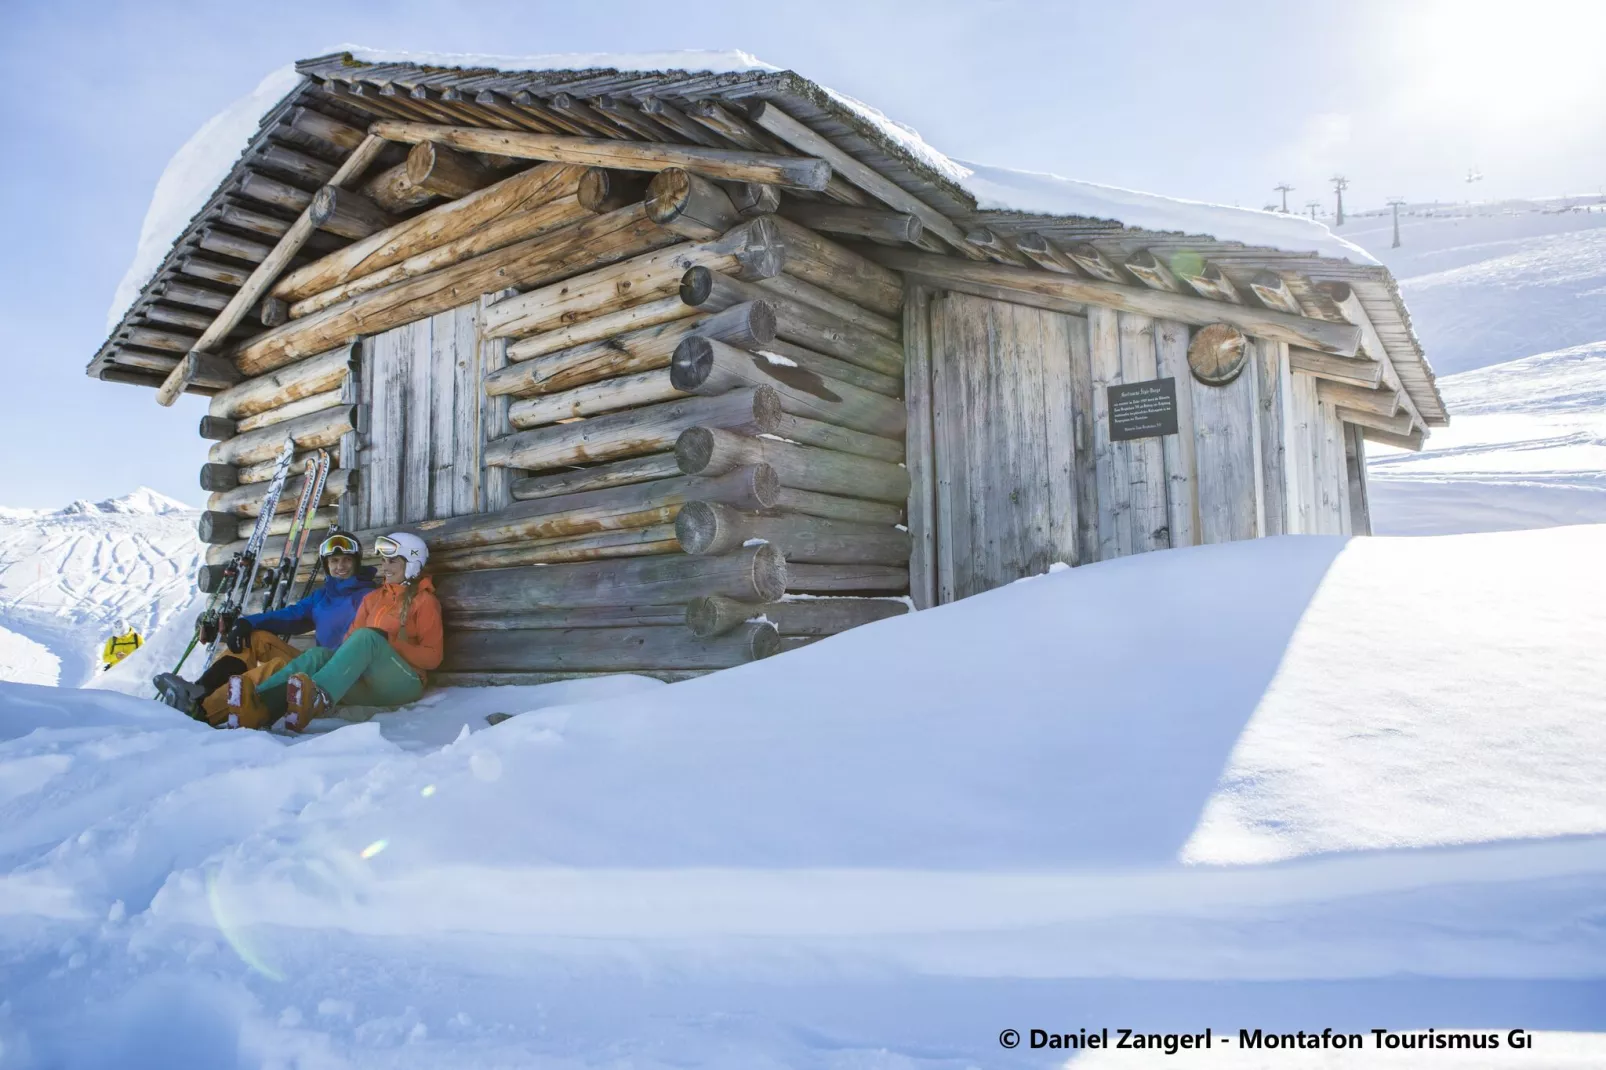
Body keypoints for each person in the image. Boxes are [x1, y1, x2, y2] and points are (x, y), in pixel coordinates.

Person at [225, 532, 442, 731]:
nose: (385, 567)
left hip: (405, 683)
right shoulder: (373, 598)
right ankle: (259, 703)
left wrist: (389, 642)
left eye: (392, 561)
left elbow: (433, 657)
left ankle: (317, 699)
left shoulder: (424, 601)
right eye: (383, 560)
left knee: (367, 636)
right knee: (318, 654)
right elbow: (349, 644)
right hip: (369, 686)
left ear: (413, 562)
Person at [154, 531, 377, 723]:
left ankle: (205, 711)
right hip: (316, 664)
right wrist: (247, 622)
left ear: (356, 562)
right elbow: (291, 616)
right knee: (256, 637)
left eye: (346, 560)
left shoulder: (369, 596)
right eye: (334, 561)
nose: (340, 566)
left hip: (339, 676)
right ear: (326, 565)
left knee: (277, 667)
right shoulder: (322, 597)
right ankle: (200, 690)